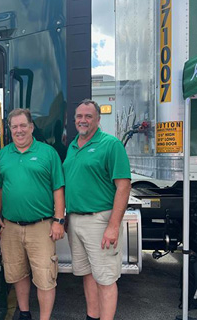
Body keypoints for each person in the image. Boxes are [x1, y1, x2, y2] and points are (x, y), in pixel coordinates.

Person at [0, 109, 65, 320]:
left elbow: (58, 188)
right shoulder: (4, 154)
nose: (19, 130)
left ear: (31, 127)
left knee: (45, 276)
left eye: (23, 125)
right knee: (18, 273)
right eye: (14, 127)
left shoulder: (48, 153)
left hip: (41, 226)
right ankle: (24, 313)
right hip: (11, 226)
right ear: (10, 129)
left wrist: (59, 220)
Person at [63, 99, 131, 320]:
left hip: (100, 221)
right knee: (87, 275)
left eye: (88, 116)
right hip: (75, 220)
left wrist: (113, 226)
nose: (83, 120)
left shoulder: (111, 145)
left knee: (105, 279)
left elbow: (123, 186)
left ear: (98, 119)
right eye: (79, 116)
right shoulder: (73, 146)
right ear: (74, 120)